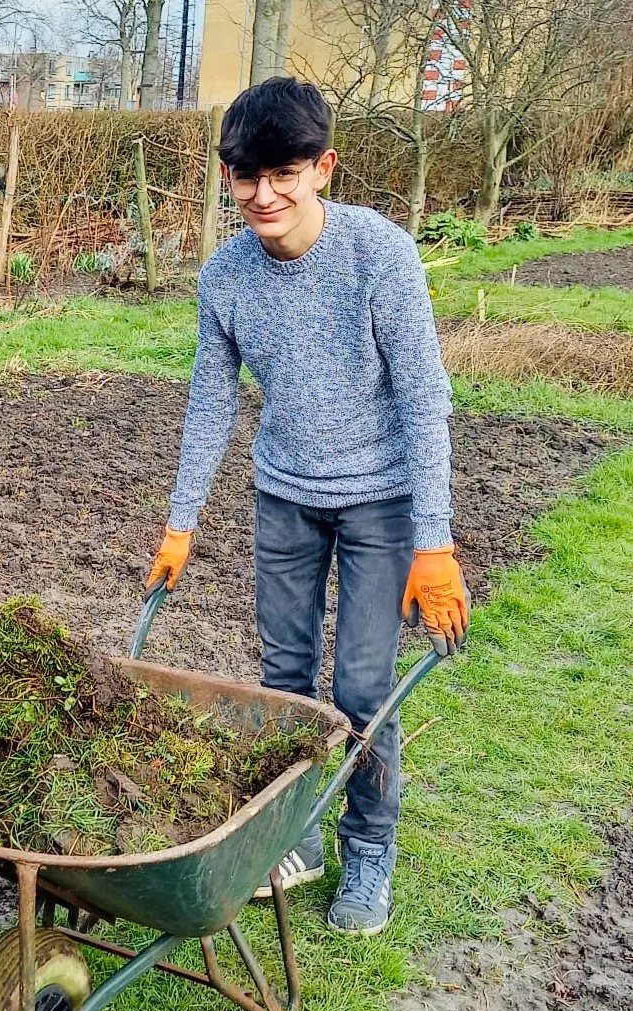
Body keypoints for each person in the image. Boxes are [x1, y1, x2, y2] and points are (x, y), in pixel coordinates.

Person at [146, 77, 469, 938]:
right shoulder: (225, 277)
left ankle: (370, 848)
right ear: (225, 176)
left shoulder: (380, 254)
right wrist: (181, 523)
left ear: (323, 167)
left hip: (381, 503)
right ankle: (300, 835)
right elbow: (210, 402)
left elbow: (423, 398)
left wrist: (432, 542)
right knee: (282, 685)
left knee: (363, 691)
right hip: (283, 496)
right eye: (244, 177)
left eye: (283, 174)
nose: (263, 196)